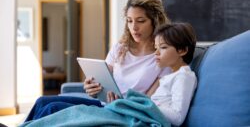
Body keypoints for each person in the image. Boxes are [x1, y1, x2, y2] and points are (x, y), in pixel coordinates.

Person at [24, 0, 171, 122]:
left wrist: (124, 102)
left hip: (123, 110)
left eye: (140, 21)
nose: (134, 28)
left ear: (155, 21)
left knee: (53, 108)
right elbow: (103, 78)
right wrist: (91, 87)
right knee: (42, 101)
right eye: (129, 20)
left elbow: (148, 102)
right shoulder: (120, 48)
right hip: (105, 104)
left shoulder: (162, 58)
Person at [21, 22, 197, 126]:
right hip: (128, 109)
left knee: (66, 111)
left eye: (163, 48)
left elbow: (177, 117)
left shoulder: (184, 76)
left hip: (140, 117)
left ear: (182, 50)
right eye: (157, 48)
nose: (157, 53)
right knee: (49, 104)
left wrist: (139, 104)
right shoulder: (171, 75)